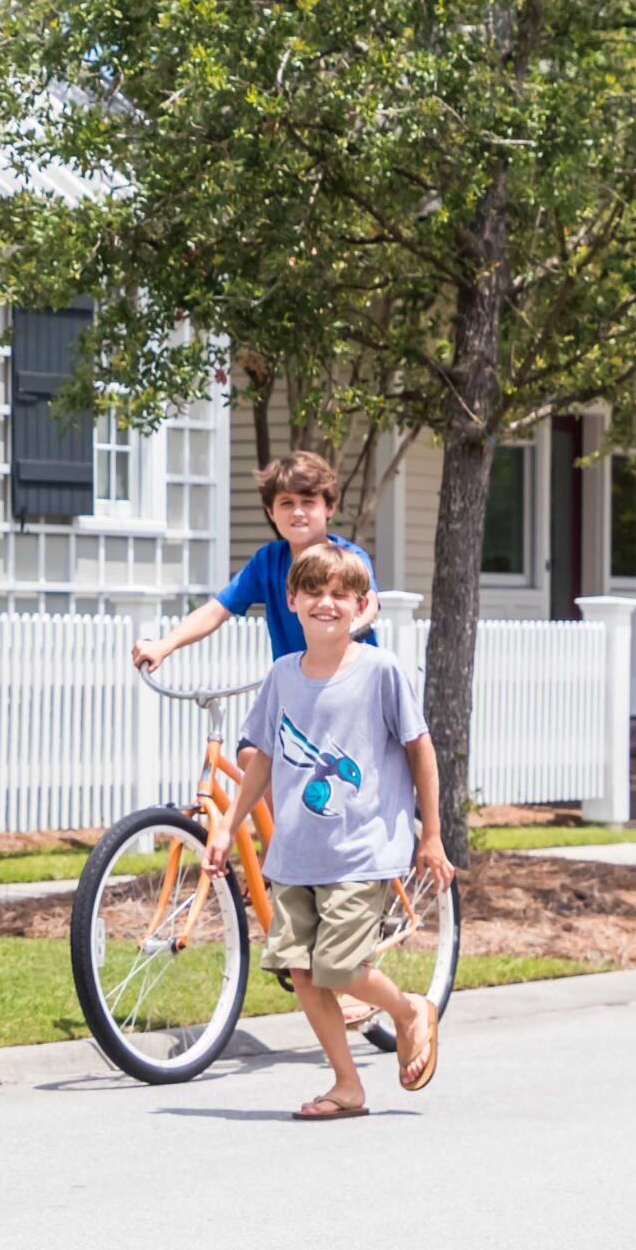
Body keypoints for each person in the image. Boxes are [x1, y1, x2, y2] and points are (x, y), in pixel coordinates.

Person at [205, 542, 452, 1118]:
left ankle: (410, 1008)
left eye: (340, 594)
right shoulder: (282, 676)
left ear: (361, 606)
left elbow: (422, 750)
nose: (326, 603)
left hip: (361, 850)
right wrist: (227, 826)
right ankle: (347, 1085)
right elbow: (261, 758)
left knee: (338, 967)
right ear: (291, 600)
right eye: (313, 591)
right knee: (303, 972)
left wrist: (432, 834)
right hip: (295, 853)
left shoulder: (381, 672)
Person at [132, 449, 376, 671]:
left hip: (352, 679)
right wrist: (165, 645)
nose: (298, 512)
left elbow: (369, 605)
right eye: (286, 503)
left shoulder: (349, 557)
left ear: (329, 508)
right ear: (271, 512)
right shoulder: (268, 561)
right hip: (296, 685)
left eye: (308, 502)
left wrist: (342, 634)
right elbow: (217, 610)